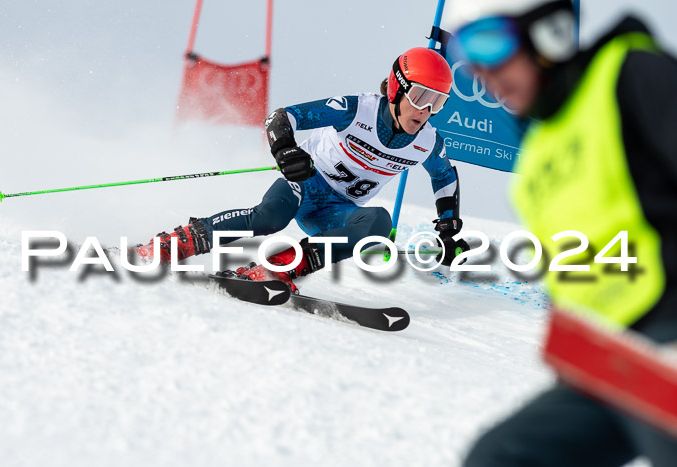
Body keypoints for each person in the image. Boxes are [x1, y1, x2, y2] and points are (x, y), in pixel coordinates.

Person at [446, 0, 677, 465]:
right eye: (468, 55)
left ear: (549, 29)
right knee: (502, 457)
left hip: (666, 332)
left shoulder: (630, 73)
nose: (482, 71)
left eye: (490, 42)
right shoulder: (538, 152)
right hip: (606, 362)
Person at [135, 47, 470, 291]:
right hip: (303, 184)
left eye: (438, 102)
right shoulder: (357, 110)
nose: (427, 110)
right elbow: (282, 117)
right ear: (397, 88)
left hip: (337, 212)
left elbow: (444, 177)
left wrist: (447, 228)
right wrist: (285, 149)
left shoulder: (427, 141)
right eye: (422, 96)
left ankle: (278, 268)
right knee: (269, 218)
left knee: (378, 223)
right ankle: (178, 243)